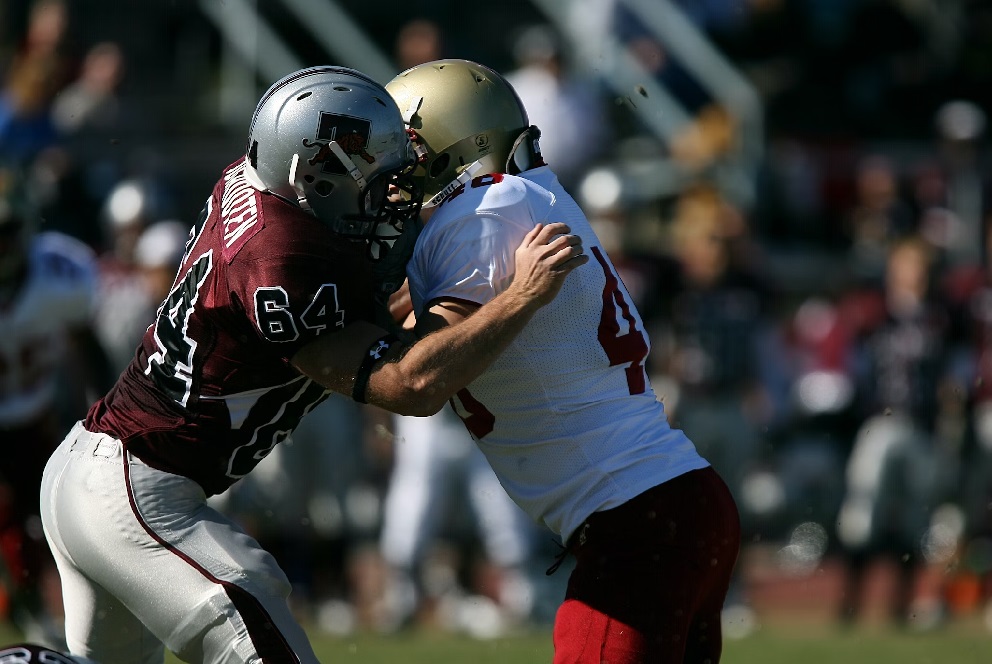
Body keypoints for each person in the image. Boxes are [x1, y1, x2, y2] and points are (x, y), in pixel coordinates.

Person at [35, 65, 586, 664]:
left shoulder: (266, 190)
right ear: (314, 179)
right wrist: (519, 295)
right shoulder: (283, 260)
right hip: (137, 494)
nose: (392, 194)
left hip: (92, 470)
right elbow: (410, 383)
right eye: (373, 178)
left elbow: (355, 314)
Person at [385, 59, 740, 663]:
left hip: (637, 520)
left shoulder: (479, 215)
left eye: (408, 149)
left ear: (450, 143)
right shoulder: (521, 196)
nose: (393, 172)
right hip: (672, 500)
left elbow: (419, 374)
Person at [0, 164, 111, 649]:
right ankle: (26, 609)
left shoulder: (60, 274)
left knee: (50, 521)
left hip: (33, 416)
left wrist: (107, 415)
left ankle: (49, 614)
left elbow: (89, 349)